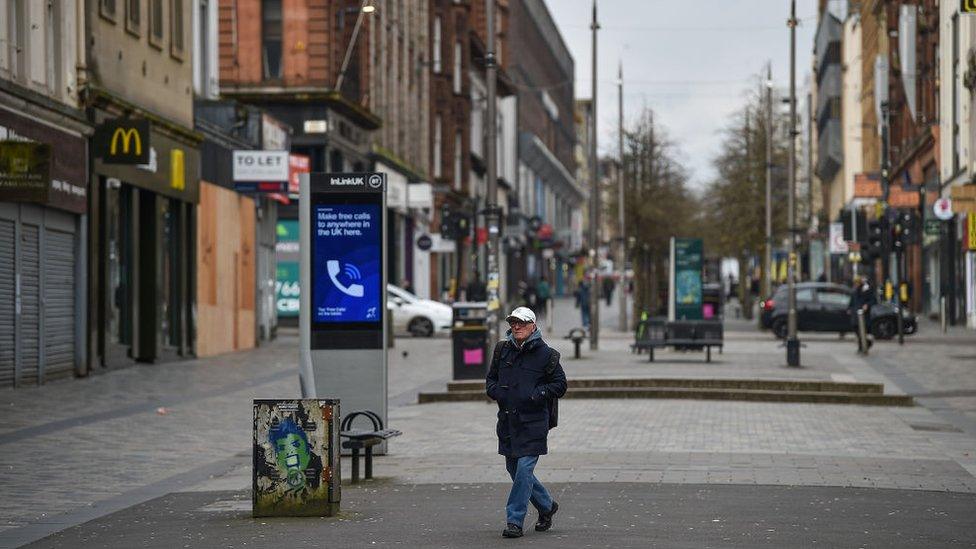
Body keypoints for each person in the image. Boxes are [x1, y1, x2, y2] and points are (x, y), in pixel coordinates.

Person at [486, 306, 567, 538]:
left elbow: (560, 385)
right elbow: (491, 378)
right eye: (513, 323)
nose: (516, 326)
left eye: (521, 322)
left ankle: (514, 520)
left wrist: (536, 394)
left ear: (533, 325)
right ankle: (547, 506)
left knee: (523, 470)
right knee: (514, 469)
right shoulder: (502, 350)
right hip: (508, 422)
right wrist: (496, 392)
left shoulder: (547, 354)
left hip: (534, 422)